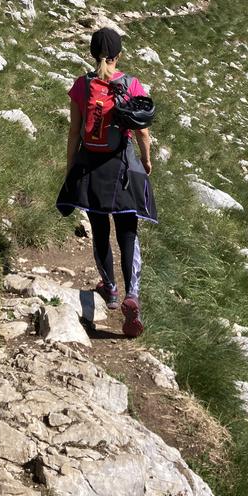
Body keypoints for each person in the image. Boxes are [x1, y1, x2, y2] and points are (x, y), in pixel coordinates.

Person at [56, 27, 157, 338]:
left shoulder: (82, 86)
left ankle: (110, 290)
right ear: (119, 56)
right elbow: (141, 131)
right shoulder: (131, 84)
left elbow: (75, 132)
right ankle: (132, 294)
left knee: (100, 229)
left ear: (91, 53)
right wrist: (147, 159)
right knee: (128, 231)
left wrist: (72, 166)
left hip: (92, 166)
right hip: (124, 167)